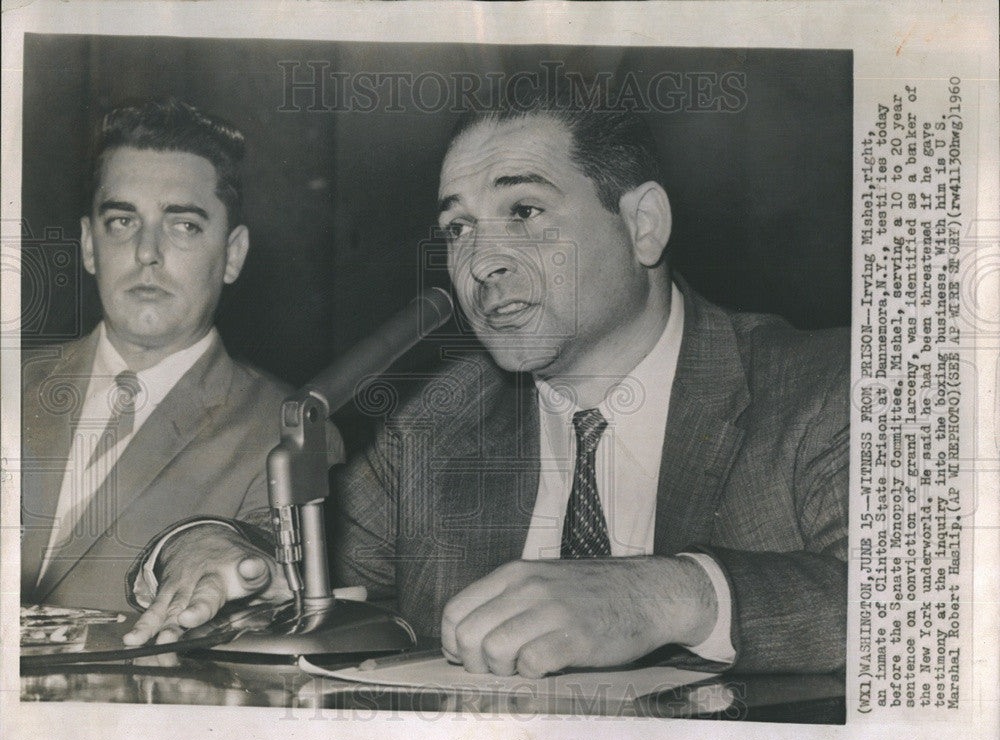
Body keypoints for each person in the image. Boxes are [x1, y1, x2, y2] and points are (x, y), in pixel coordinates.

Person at [124, 80, 849, 678]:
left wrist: (670, 595)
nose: (480, 263)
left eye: (524, 212)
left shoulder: (821, 387)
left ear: (644, 225)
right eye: (458, 229)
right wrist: (222, 552)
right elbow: (299, 558)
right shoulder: (439, 422)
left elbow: (920, 609)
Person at [20, 99, 290, 612]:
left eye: (183, 225)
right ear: (88, 245)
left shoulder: (284, 431)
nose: (147, 251)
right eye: (122, 221)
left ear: (232, 254)